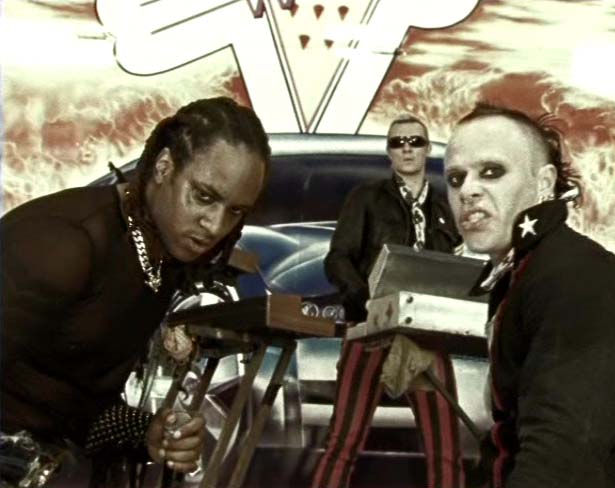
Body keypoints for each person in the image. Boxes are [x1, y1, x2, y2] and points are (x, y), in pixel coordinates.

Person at [0, 96, 270, 486]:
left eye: (235, 211)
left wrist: (147, 433)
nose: (215, 226)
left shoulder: (160, 257)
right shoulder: (63, 246)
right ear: (164, 166)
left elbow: (73, 407)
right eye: (204, 197)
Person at [444, 103, 615, 488]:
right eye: (456, 178)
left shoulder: (581, 279)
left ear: (544, 182)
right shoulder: (526, 273)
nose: (468, 190)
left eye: (492, 172)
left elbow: (561, 459)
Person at [312, 116, 465, 488]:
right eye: (398, 142)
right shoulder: (367, 197)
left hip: (426, 333)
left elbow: (455, 268)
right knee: (343, 440)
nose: (407, 148)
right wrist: (365, 301)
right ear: (389, 152)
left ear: (428, 149)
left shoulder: (445, 207)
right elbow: (338, 259)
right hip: (372, 328)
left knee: (446, 448)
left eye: (415, 141)